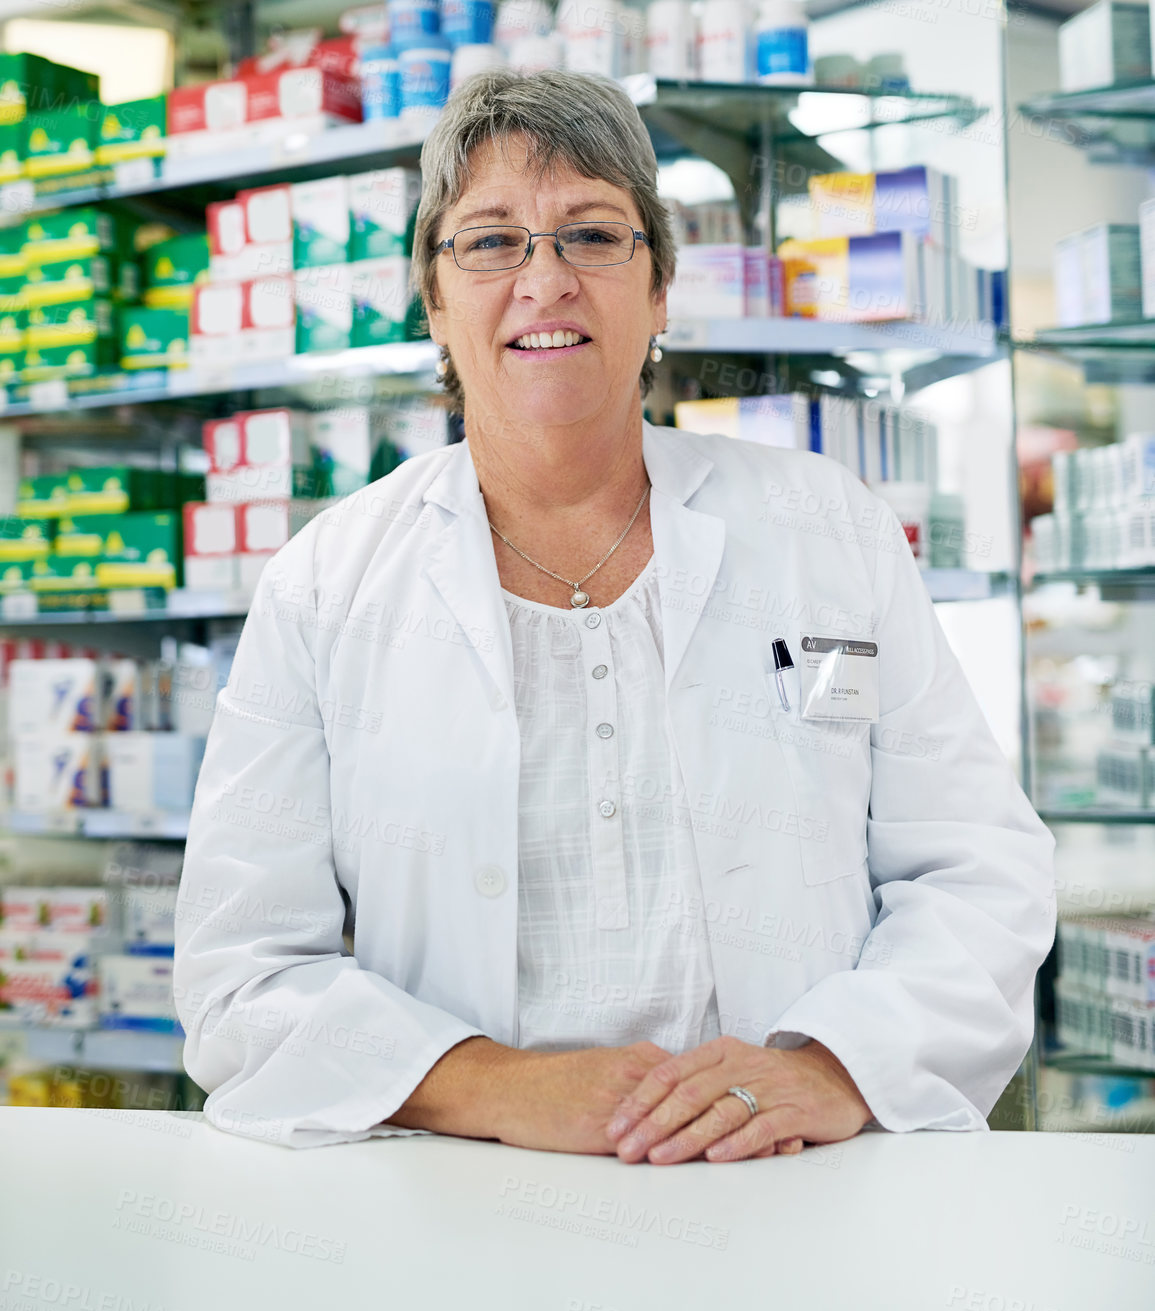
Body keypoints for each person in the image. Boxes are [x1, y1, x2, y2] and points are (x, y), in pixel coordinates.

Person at [174, 69, 1055, 1161]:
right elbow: (240, 971)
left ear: (660, 288)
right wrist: (492, 1087)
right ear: (435, 301)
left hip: (793, 1190)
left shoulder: (826, 531)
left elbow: (975, 867)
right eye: (491, 242)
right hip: (455, 1210)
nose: (545, 281)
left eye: (592, 235)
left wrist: (831, 1068)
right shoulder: (326, 584)